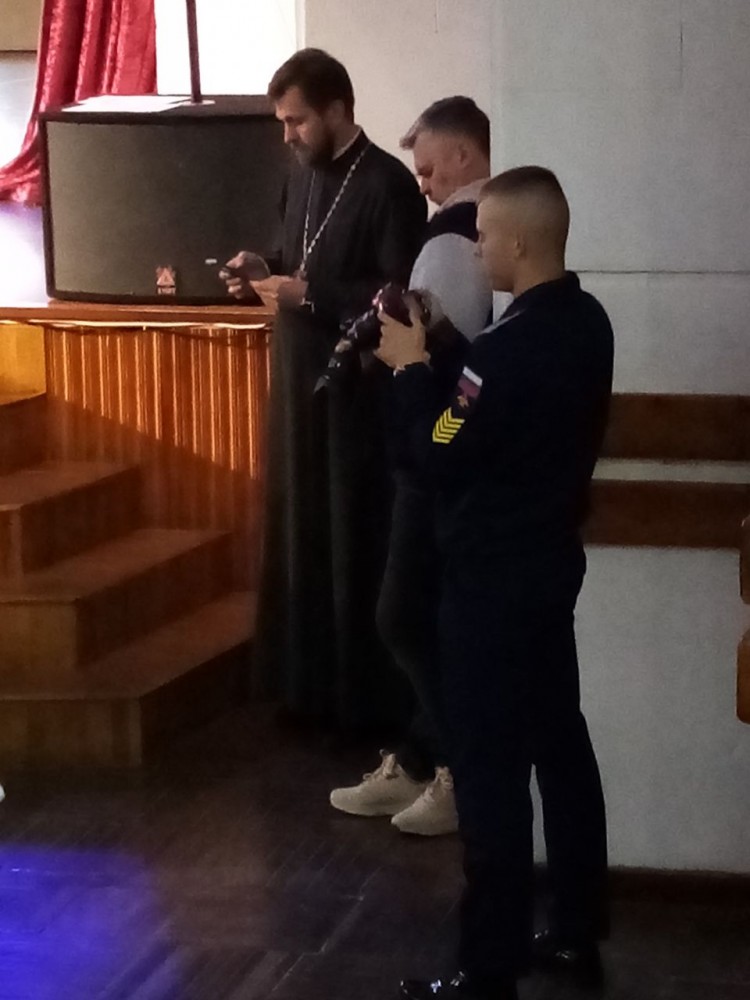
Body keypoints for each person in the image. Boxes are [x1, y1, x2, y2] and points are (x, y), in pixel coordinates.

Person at [376, 167, 613, 999]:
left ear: (515, 240)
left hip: (487, 590)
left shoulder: (507, 352)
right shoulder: (585, 323)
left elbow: (441, 446)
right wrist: (446, 348)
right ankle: (577, 928)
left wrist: (410, 370)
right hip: (549, 571)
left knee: (489, 778)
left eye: (481, 238)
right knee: (562, 748)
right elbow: (496, 415)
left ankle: (488, 969)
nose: (475, 252)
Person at [223, 49, 426, 732]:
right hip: (295, 382)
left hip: (355, 396)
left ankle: (356, 708)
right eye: (284, 122)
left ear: (338, 109)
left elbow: (396, 293)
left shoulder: (389, 185)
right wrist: (263, 270)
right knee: (299, 530)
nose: (288, 135)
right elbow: (300, 261)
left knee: (348, 537)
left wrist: (308, 295)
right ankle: (303, 694)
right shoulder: (300, 174)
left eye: (298, 121)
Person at [329, 97, 494, 836]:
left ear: (464, 155)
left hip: (438, 456)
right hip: (441, 449)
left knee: (403, 616)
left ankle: (457, 769)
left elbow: (451, 380)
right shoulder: (462, 238)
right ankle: (426, 758)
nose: (422, 183)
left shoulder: (459, 242)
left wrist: (405, 366)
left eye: (429, 169)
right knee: (417, 616)